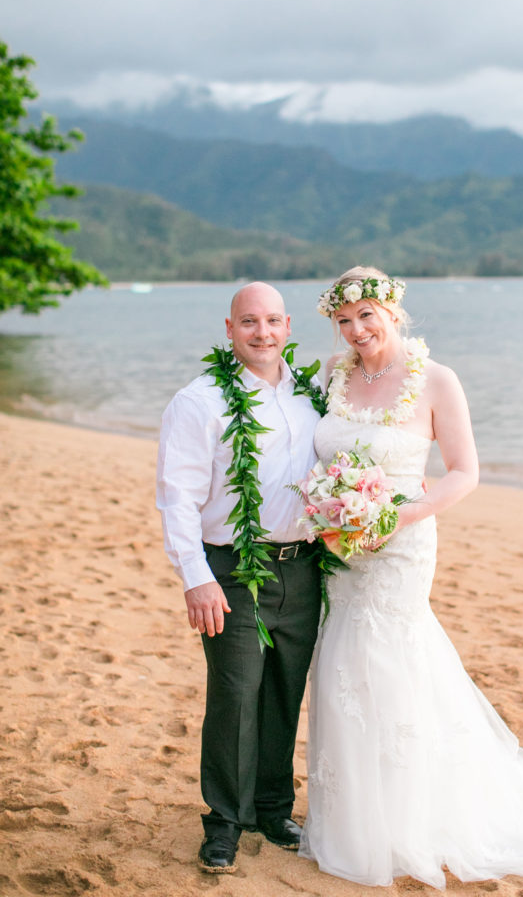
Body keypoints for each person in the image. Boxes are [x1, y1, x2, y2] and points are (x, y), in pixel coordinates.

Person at [299, 266, 523, 889]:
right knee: (338, 660)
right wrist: (331, 510)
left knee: (387, 658)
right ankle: (352, 819)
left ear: (394, 312)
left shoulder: (437, 381)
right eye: (344, 319)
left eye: (367, 314)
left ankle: (410, 820)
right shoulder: (331, 376)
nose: (356, 330)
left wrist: (397, 517)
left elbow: (464, 473)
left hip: (400, 546)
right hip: (341, 546)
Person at [156, 282, 323, 875]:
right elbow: (177, 498)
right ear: (229, 330)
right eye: (249, 321)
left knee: (283, 691)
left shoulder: (311, 395)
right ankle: (224, 821)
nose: (263, 332)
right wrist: (195, 579)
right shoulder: (199, 401)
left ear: (288, 325)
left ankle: (273, 809)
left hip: (303, 567)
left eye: (273, 320)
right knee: (234, 695)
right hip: (230, 570)